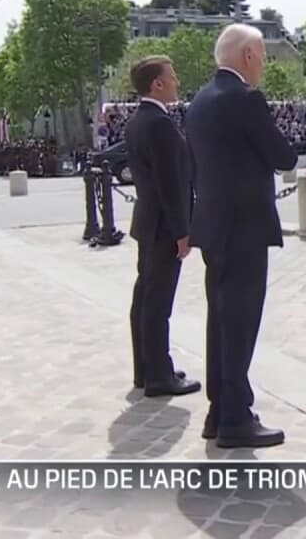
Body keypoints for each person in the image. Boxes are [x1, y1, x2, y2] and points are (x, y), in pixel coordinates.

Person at [186, 23, 297, 448]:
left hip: (213, 226)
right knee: (241, 321)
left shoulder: (200, 100)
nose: (264, 67)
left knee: (221, 320)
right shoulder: (246, 99)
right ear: (248, 56)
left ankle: (220, 409)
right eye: (263, 58)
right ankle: (235, 417)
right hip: (244, 226)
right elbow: (282, 154)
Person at [125, 57, 200, 399]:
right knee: (158, 304)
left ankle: (146, 367)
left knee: (145, 298)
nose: (177, 81)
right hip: (163, 226)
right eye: (172, 77)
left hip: (148, 221)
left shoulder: (139, 120)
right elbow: (171, 183)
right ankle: (158, 375)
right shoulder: (160, 124)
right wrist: (183, 230)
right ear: (157, 84)